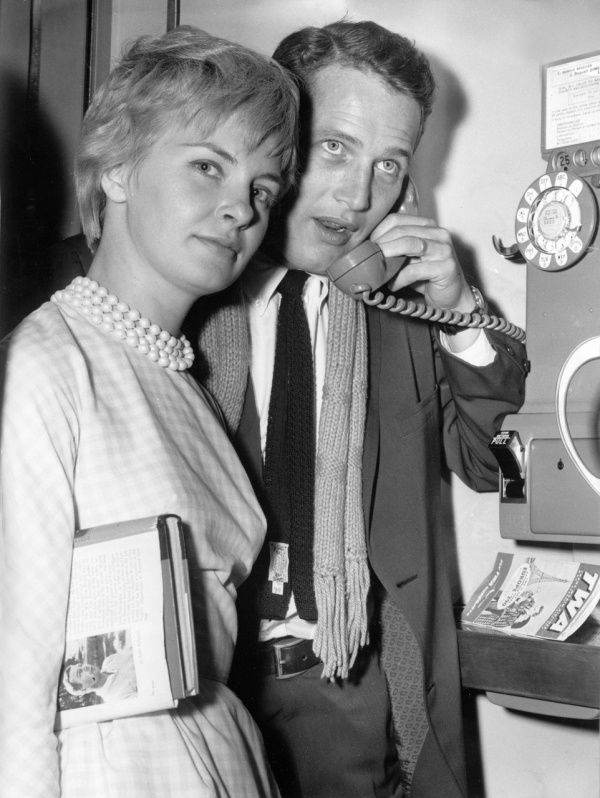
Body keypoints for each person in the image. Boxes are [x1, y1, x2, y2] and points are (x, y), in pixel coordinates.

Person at [189, 19, 528, 798]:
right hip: (209, 690)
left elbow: (485, 460)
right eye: (334, 147)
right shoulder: (190, 301)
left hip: (357, 692)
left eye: (389, 165)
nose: (358, 195)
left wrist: (459, 307)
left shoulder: (401, 314)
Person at [0, 25, 298, 798]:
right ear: (120, 168)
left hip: (220, 757)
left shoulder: (183, 381)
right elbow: (12, 672)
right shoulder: (49, 361)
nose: (240, 208)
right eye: (209, 166)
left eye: (262, 189)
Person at [63, 648, 138, 703]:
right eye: (80, 673)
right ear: (83, 689)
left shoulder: (108, 661)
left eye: (81, 665)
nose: (85, 667)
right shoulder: (115, 699)